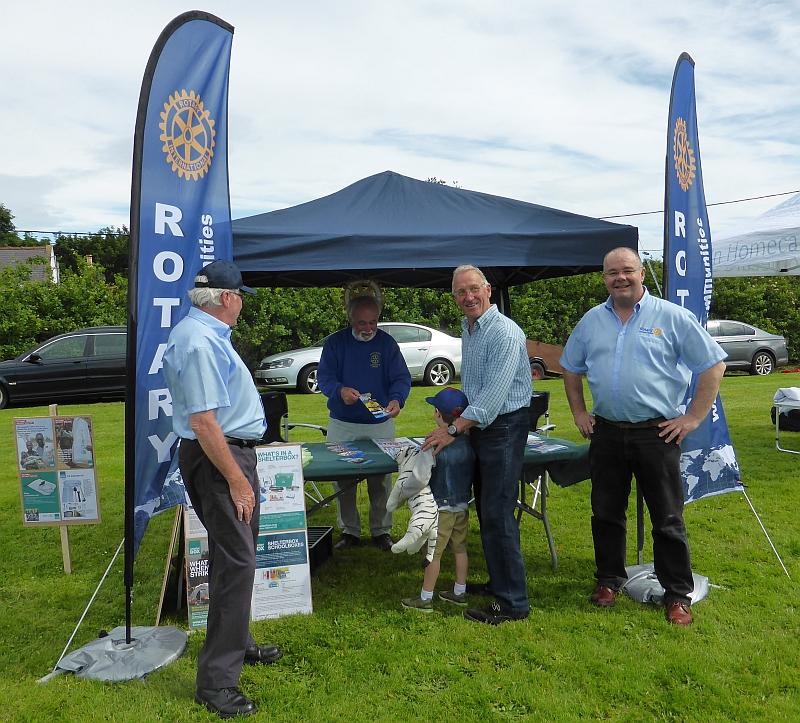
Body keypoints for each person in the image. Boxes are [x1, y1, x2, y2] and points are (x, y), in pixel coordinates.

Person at [560, 246, 726, 627]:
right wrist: (579, 412)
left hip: (657, 434)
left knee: (667, 518)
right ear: (603, 278)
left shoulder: (671, 316)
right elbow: (570, 367)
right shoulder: (590, 321)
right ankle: (609, 580)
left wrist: (693, 418)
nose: (619, 277)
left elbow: (713, 365)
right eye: (611, 272)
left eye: (627, 270)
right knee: (605, 513)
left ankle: (677, 594)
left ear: (641, 274)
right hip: (606, 432)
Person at [163, 260, 281, 719]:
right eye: (241, 296)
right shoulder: (199, 342)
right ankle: (217, 684)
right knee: (238, 561)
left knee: (236, 554)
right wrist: (236, 480)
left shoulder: (206, 335)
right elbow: (204, 422)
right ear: (228, 298)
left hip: (229, 454)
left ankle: (238, 640)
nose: (242, 303)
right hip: (220, 459)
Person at [424, 265, 533, 625]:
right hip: (483, 426)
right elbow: (475, 389)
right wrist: (457, 420)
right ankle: (500, 583)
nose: (468, 297)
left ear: (487, 289)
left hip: (503, 426)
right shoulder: (469, 327)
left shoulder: (504, 333)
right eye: (460, 292)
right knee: (487, 509)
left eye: (473, 289)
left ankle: (513, 603)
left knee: (498, 513)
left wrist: (453, 430)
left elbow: (491, 400)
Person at [317, 294, 412, 551]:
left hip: (379, 423)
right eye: (362, 323)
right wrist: (339, 391)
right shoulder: (335, 343)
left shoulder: (387, 344)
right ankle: (350, 531)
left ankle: (381, 531)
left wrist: (397, 400)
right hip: (342, 423)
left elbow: (401, 378)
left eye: (373, 323)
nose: (368, 328)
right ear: (351, 320)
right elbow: (324, 377)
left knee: (381, 480)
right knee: (342, 480)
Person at [402, 387, 475, 612]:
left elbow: (420, 477)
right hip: (462, 505)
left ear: (437, 413)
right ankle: (459, 592)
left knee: (433, 553)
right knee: (460, 548)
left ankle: (425, 597)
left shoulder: (435, 445)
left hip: (439, 508)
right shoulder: (471, 444)